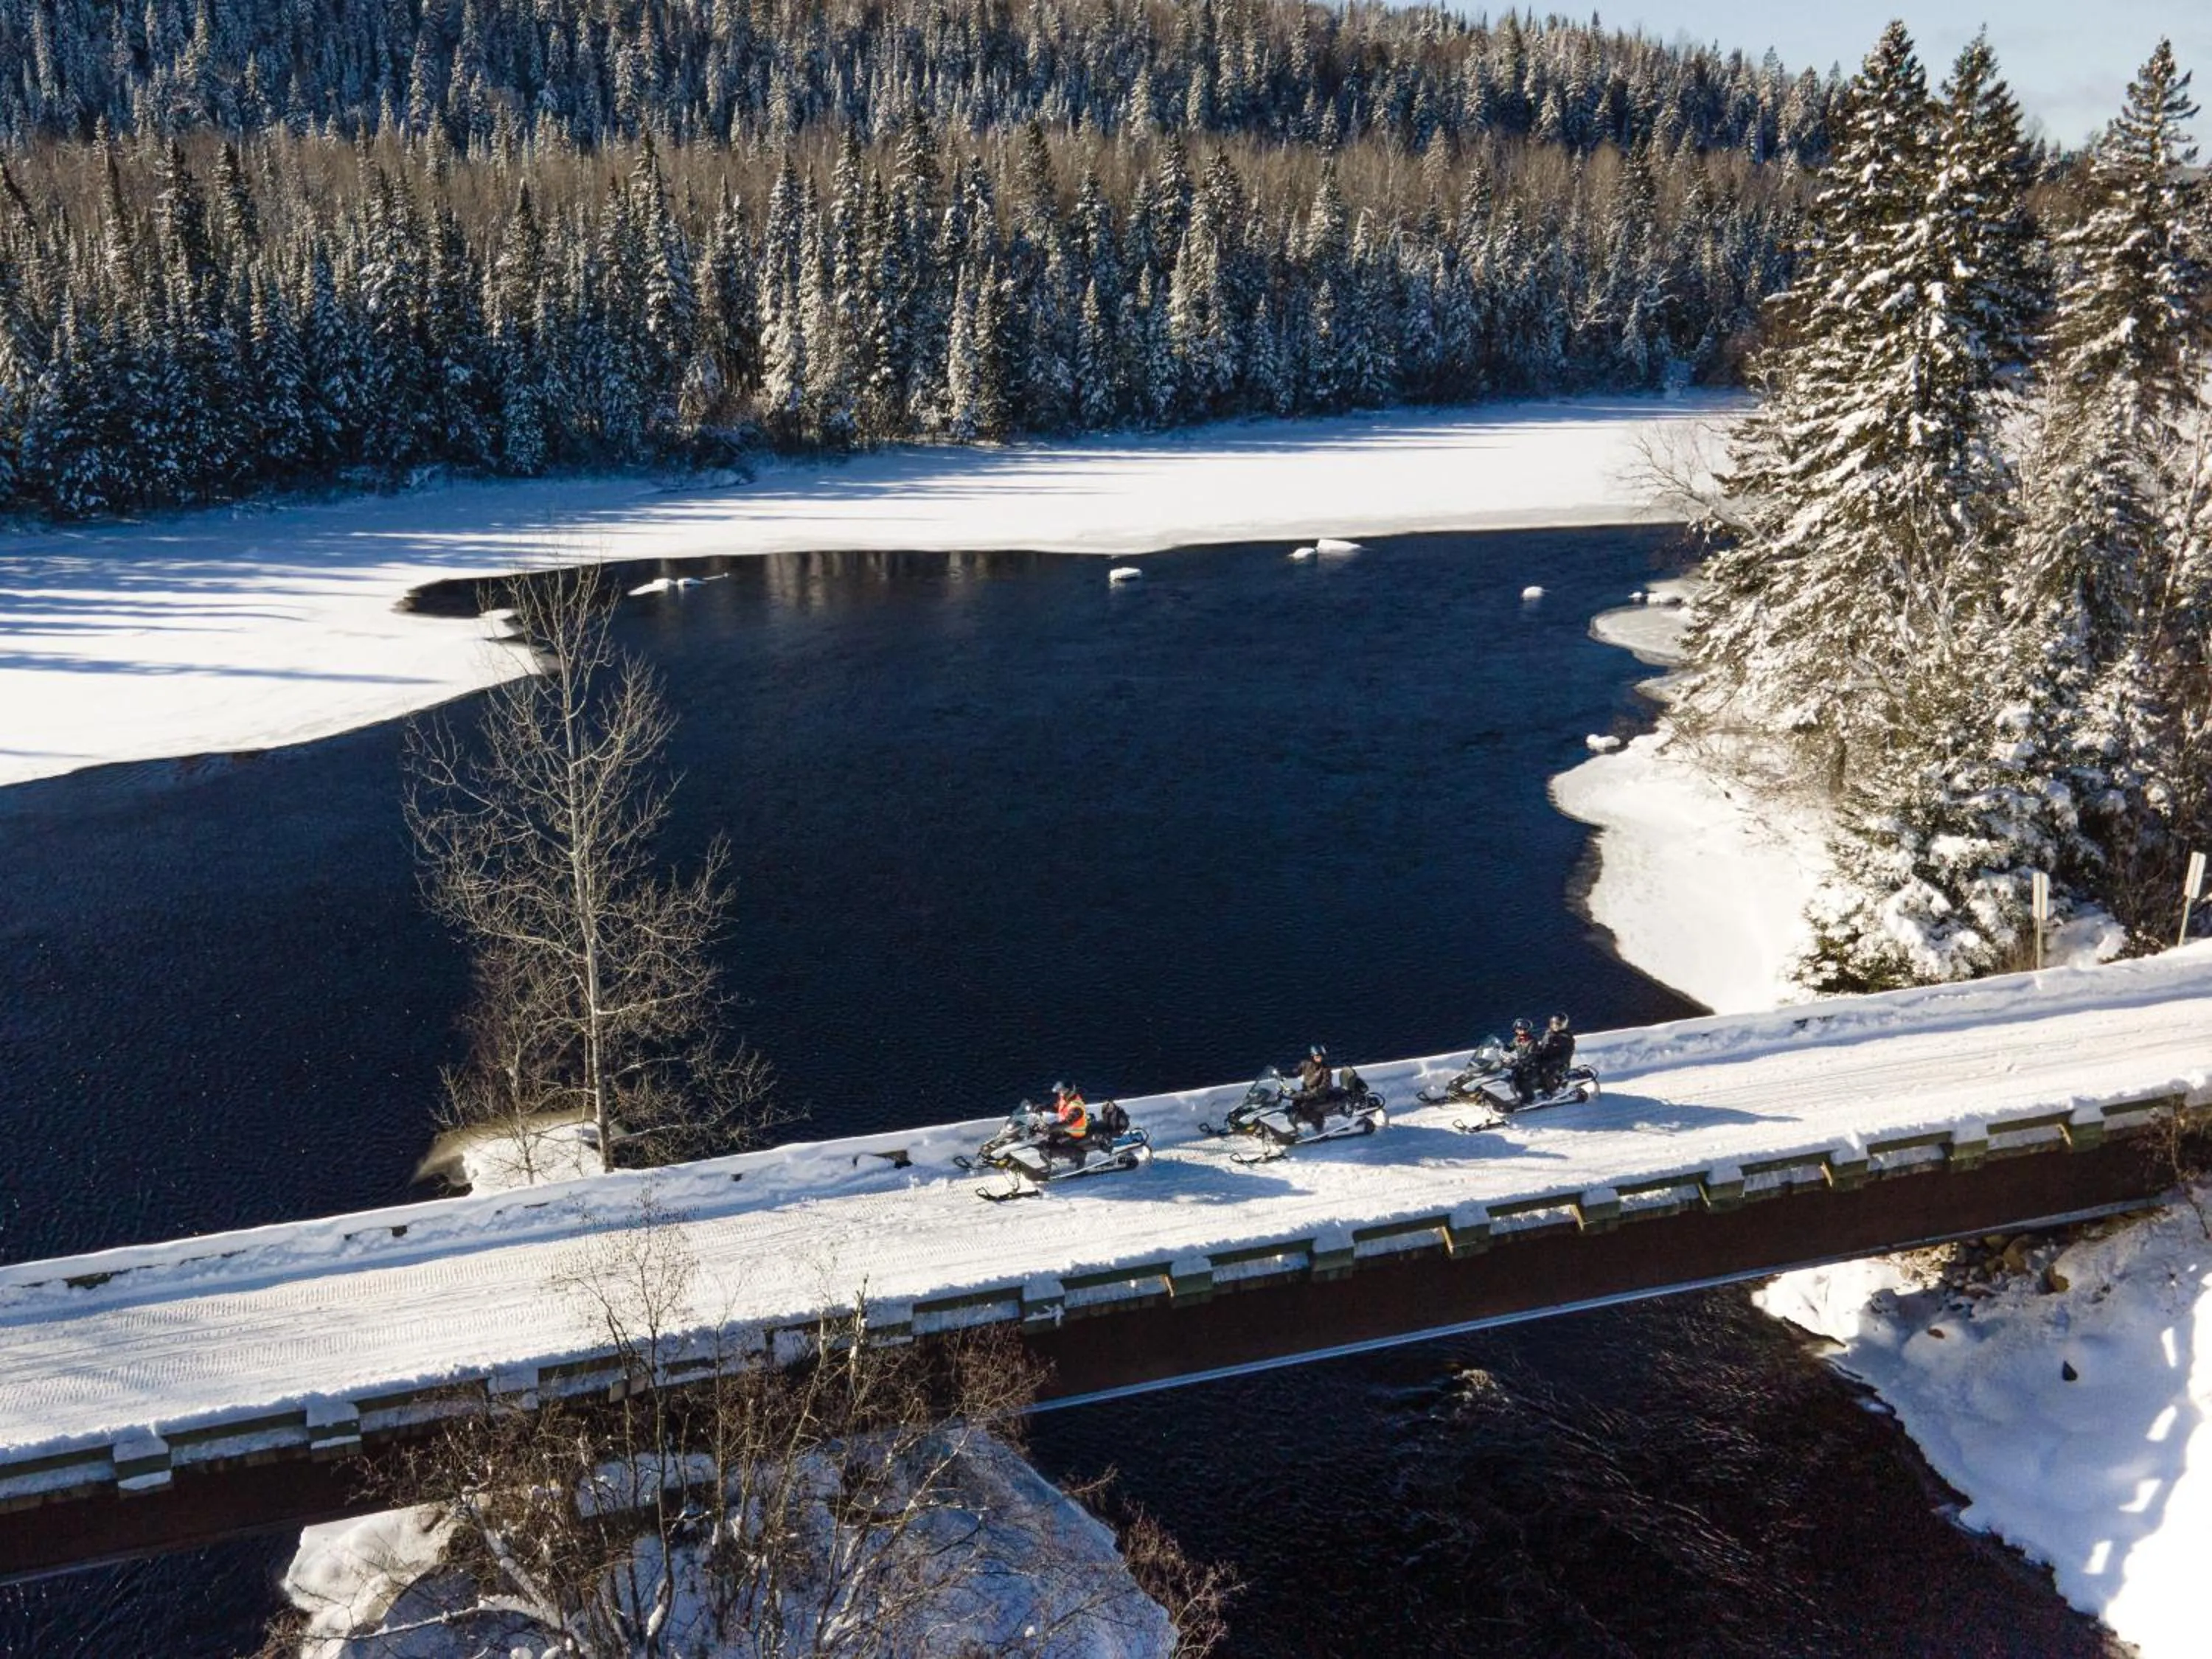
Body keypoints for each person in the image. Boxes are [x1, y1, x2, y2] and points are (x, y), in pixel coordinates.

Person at [1534, 1013, 1576, 1095]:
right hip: (1546, 1059)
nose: (1555, 1026)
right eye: (1553, 1024)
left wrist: (1551, 1061)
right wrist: (1535, 1052)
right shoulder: (1549, 1033)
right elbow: (1543, 1046)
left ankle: (1553, 1091)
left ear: (1563, 1025)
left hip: (1559, 1064)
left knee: (1545, 1071)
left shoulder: (1566, 1038)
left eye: (1558, 1024)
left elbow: (1566, 1055)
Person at [1294, 1046, 1334, 1130]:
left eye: (1321, 1057)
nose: (1320, 1059)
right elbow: (1296, 1072)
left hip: (1320, 1094)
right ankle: (1296, 1124)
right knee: (1295, 1101)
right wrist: (1282, 1075)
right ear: (1312, 1057)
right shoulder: (1305, 1064)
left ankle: (1318, 1125)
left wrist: (1314, 1093)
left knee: (1307, 1106)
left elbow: (1325, 1085)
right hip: (1307, 1091)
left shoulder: (1325, 1069)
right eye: (1317, 1057)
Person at [1505, 1018, 1540, 1107]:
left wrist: (1519, 1061)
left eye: (1523, 1029)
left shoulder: (1532, 1041)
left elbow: (1531, 1055)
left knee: (1523, 1079)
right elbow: (1509, 1047)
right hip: (1520, 1064)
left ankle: (1529, 1098)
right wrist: (1501, 1048)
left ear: (1527, 1030)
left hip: (1531, 1064)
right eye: (1518, 1029)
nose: (1520, 1031)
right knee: (1507, 1075)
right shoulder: (1516, 1039)